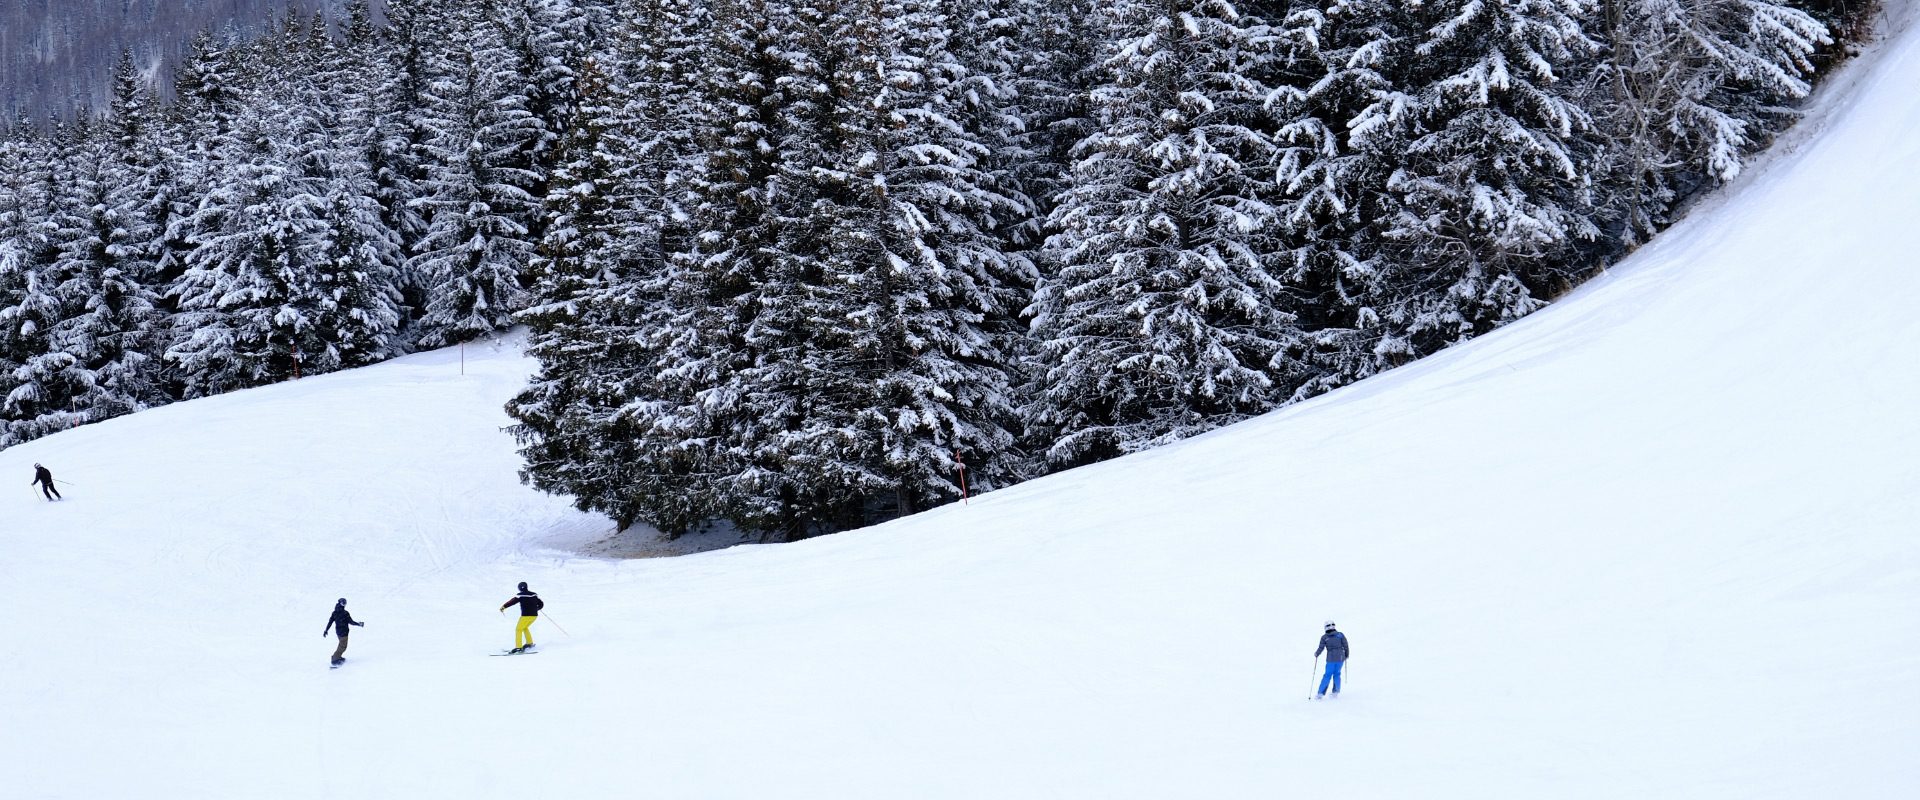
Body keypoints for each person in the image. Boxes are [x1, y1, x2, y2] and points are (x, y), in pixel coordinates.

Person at [499, 582, 543, 653]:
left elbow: (512, 602)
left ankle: (518, 648)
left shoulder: (520, 595)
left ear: (519, 588)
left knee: (518, 629)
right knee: (524, 628)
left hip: (525, 616)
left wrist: (504, 606)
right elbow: (541, 604)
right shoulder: (534, 595)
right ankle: (529, 643)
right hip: (534, 616)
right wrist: (537, 608)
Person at [324, 598, 365, 666]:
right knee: (343, 646)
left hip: (338, 632)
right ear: (340, 603)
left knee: (341, 645)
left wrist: (326, 630)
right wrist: (359, 624)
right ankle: (335, 659)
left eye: (345, 603)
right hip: (344, 632)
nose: (344, 605)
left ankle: (338, 657)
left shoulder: (335, 612)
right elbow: (351, 622)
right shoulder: (345, 613)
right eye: (343, 603)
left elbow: (330, 622)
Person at [1314, 621, 1349, 698]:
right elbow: (1346, 645)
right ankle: (1335, 692)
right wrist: (1346, 655)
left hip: (1331, 659)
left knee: (1327, 675)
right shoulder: (1340, 635)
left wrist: (1317, 653)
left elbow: (1321, 648)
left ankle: (1320, 693)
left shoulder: (1324, 637)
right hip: (1340, 658)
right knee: (1337, 674)